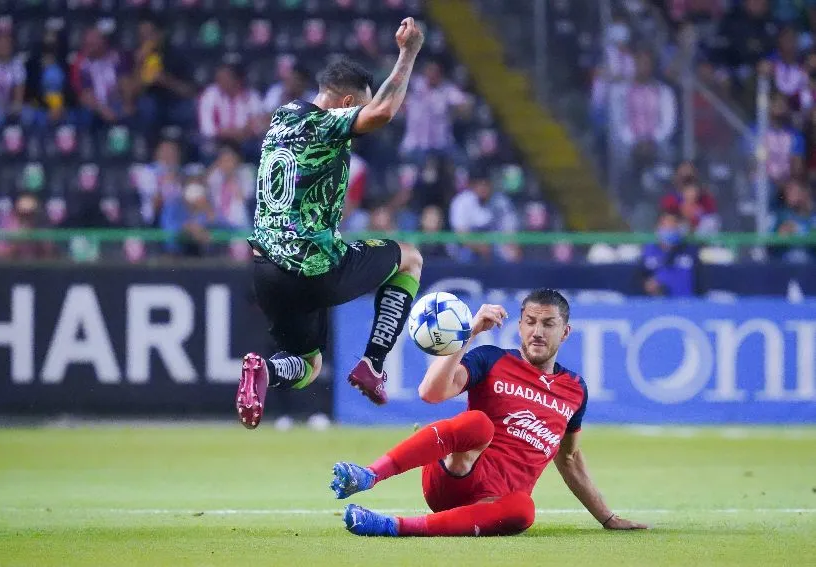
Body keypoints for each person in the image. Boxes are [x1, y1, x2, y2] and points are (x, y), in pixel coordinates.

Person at [329, 289, 649, 537]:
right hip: (455, 476)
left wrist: (607, 518)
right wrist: (469, 334)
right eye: (530, 322)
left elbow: (568, 458)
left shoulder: (575, 389)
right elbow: (430, 393)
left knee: (524, 509)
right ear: (520, 324)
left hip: (494, 506)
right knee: (478, 423)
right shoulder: (492, 359)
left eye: (548, 323)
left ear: (565, 332)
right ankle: (369, 475)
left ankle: (390, 526)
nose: (537, 331)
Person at [237, 18, 426, 429]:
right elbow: (383, 112)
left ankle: (265, 371)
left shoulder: (283, 116)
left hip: (265, 269)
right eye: (357, 106)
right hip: (312, 268)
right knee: (409, 258)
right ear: (344, 104)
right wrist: (408, 53)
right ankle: (373, 364)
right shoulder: (323, 124)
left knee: (307, 364)